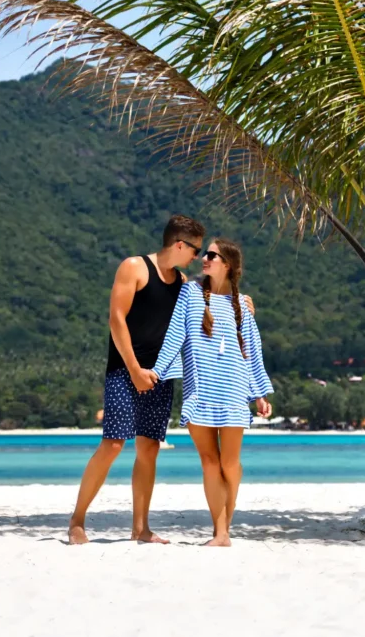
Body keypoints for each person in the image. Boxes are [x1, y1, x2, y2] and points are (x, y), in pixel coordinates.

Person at [67, 216, 255, 545]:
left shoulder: (183, 284)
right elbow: (116, 319)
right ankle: (77, 520)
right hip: (125, 371)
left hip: (161, 375)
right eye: (197, 250)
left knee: (149, 448)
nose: (199, 258)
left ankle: (140, 528)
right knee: (112, 444)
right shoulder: (134, 268)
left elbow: (211, 303)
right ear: (180, 245)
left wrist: (243, 303)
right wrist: (135, 369)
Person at [150, 238, 273, 547]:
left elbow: (253, 352)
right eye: (205, 253)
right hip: (200, 391)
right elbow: (174, 336)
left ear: (227, 264)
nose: (205, 257)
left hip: (233, 391)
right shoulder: (190, 294)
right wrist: (156, 371)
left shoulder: (242, 304)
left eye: (213, 255)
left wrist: (259, 393)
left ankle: (224, 530)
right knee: (209, 462)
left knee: (229, 464)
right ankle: (220, 533)